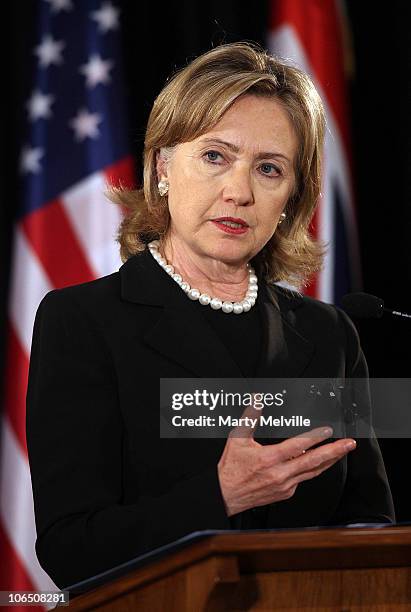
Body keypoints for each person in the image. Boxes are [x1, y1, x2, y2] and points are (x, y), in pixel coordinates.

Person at [26, 42, 395, 589]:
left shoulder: (329, 334)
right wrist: (221, 495)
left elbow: (370, 529)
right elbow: (70, 548)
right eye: (215, 156)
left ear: (292, 198)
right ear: (163, 167)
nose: (239, 191)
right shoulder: (83, 321)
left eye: (269, 169)